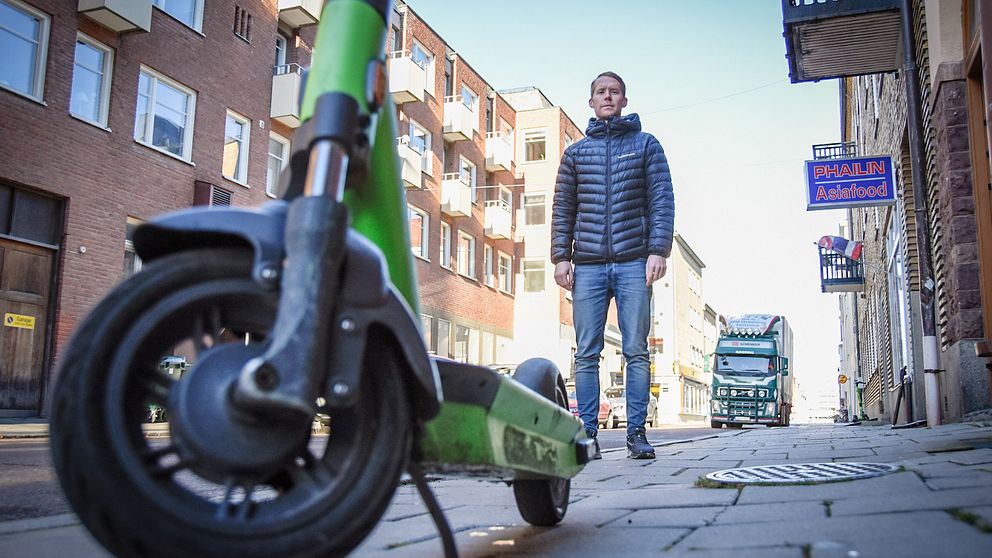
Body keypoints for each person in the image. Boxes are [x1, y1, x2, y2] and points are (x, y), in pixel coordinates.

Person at [551, 71, 675, 460]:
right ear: (590, 102)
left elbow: (661, 200)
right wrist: (560, 257)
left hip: (634, 262)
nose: (607, 97)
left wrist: (659, 250)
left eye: (614, 92)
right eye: (600, 92)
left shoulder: (645, 146)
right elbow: (563, 209)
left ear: (624, 99)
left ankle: (636, 434)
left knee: (636, 350)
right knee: (586, 353)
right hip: (586, 266)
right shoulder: (575, 153)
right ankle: (588, 435)